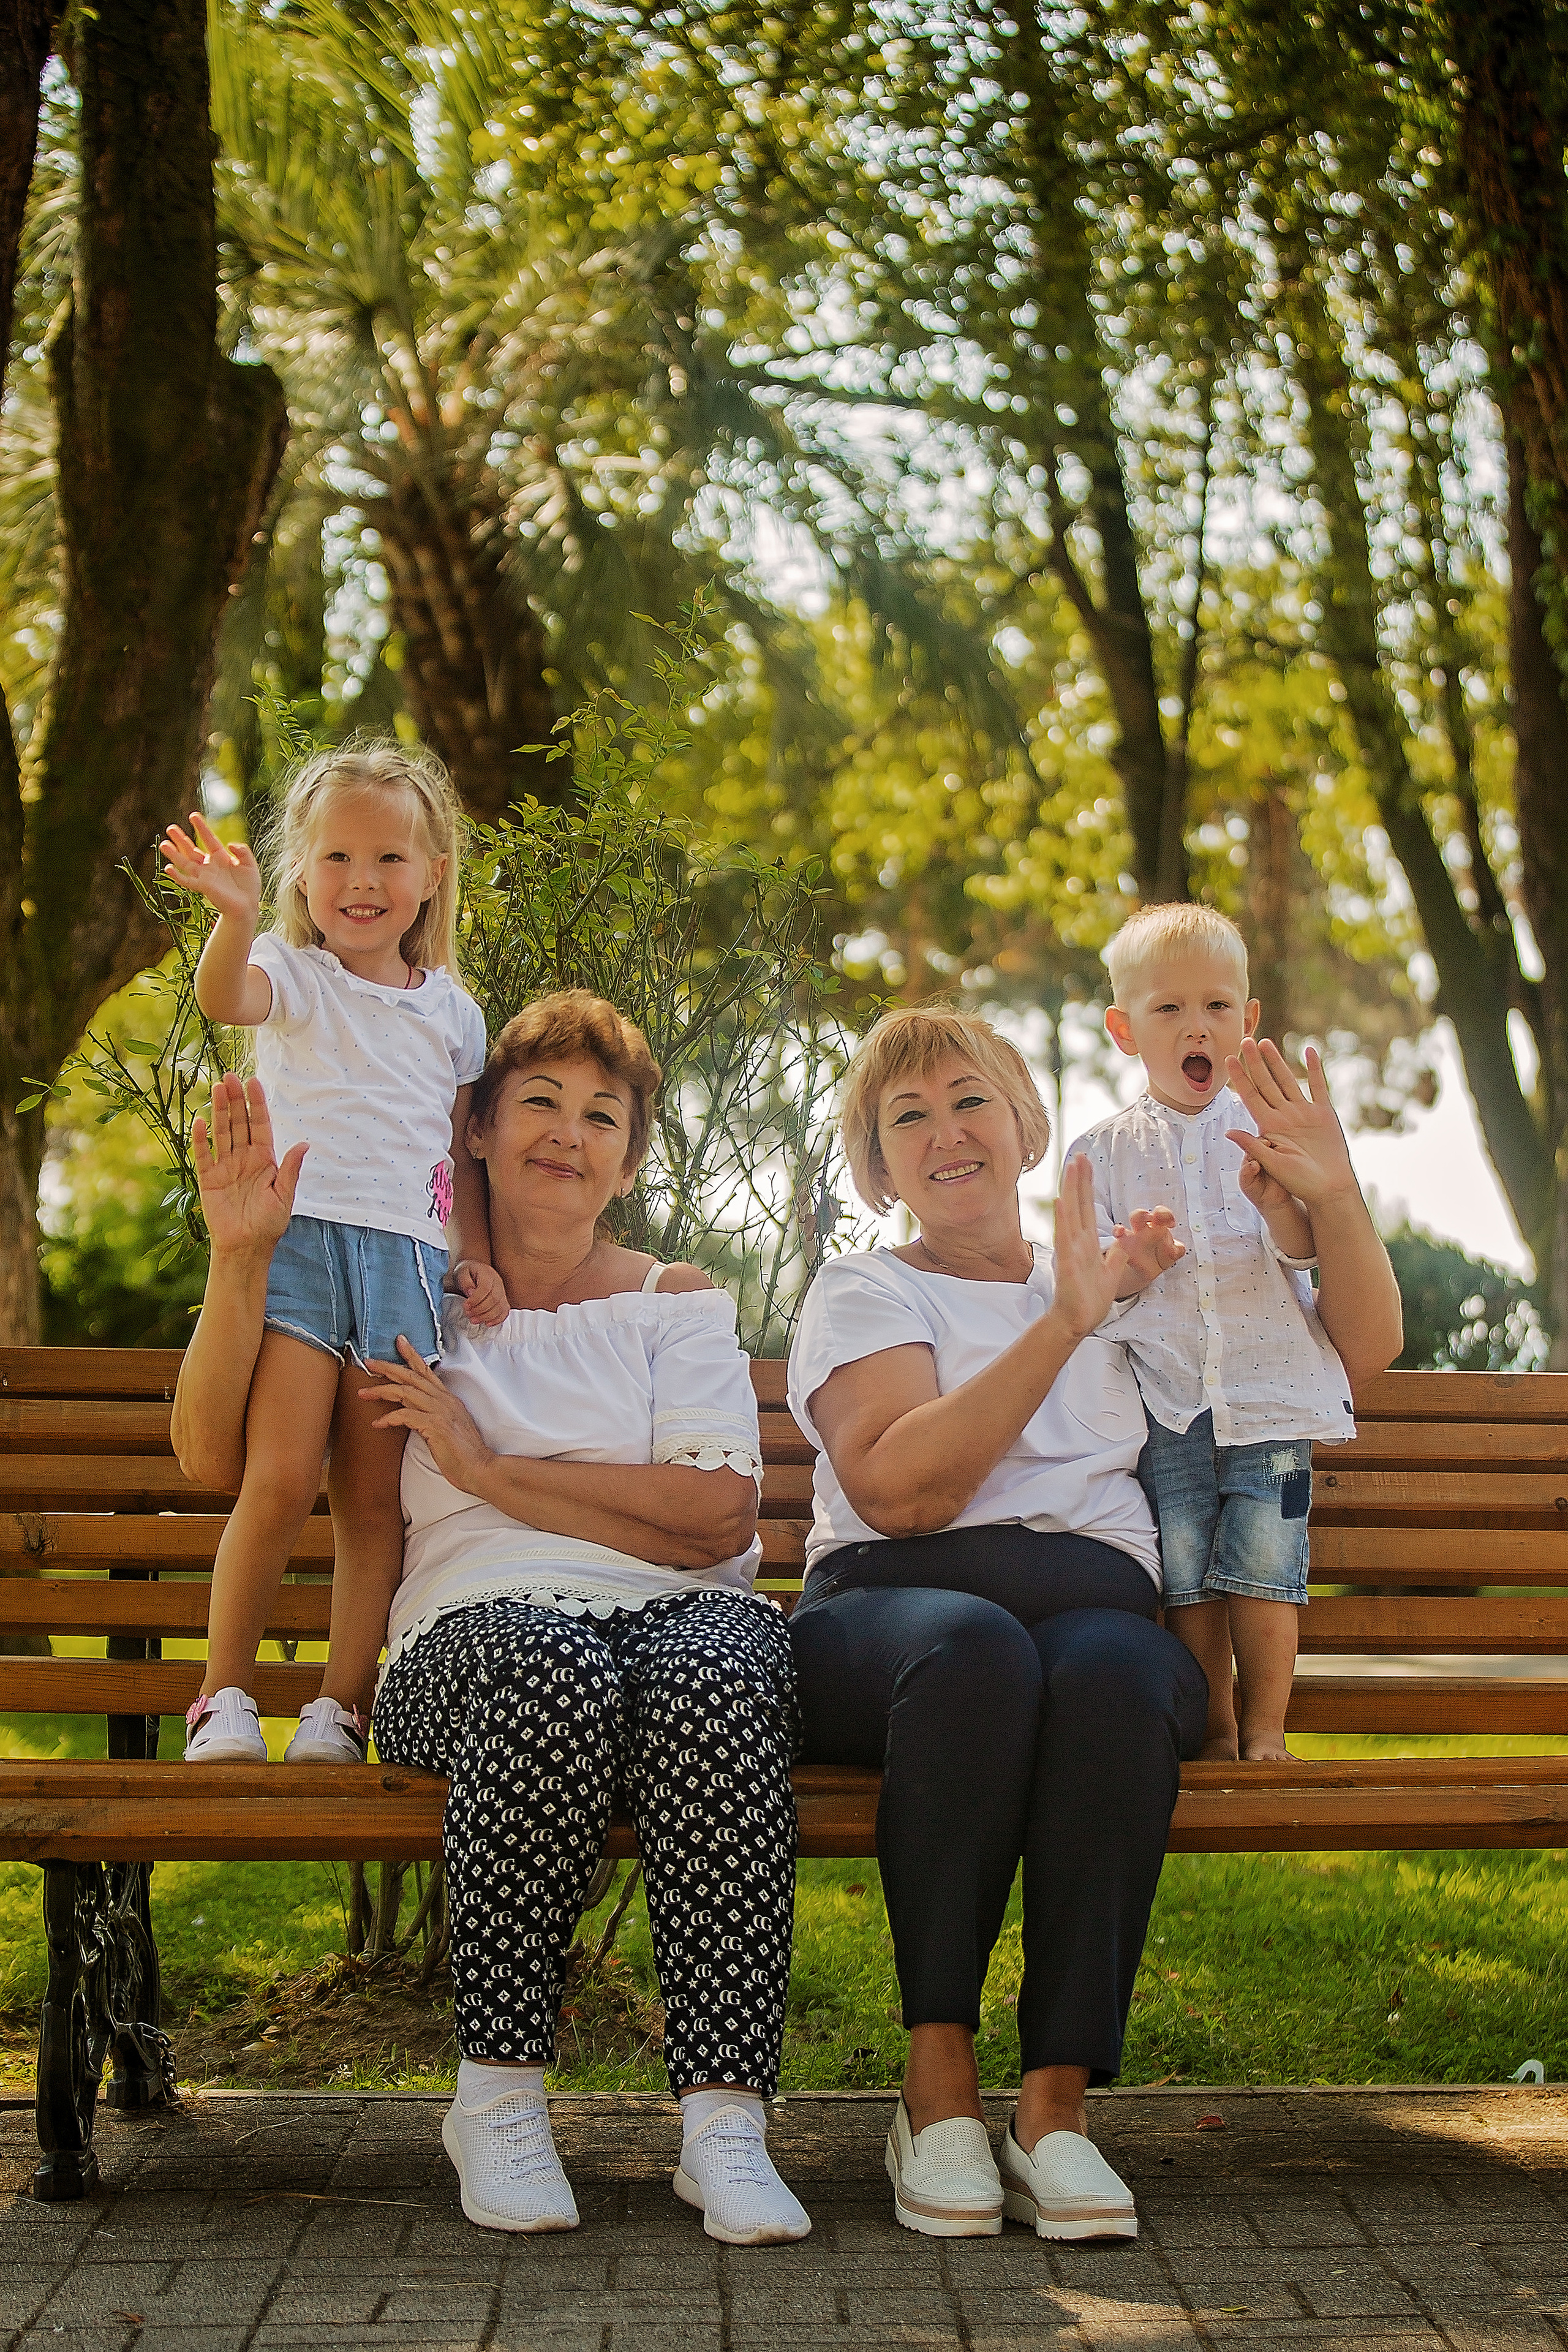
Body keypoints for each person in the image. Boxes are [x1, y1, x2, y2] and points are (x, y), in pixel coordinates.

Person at [171, 992, 812, 2247]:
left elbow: (715, 1518)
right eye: (539, 1103)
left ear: (630, 1160)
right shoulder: (410, 1309)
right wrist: (240, 1256)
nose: (567, 1134)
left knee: (724, 1675)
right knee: (548, 1667)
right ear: (473, 1129)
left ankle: (725, 2123)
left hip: (681, 1616)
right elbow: (215, 1459)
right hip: (468, 1640)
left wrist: (487, 1470)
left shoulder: (676, 1301)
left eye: (602, 1117)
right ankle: (499, 2098)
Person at [786, 1004, 1209, 2246]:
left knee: (1114, 1678)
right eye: (905, 1117)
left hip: (1089, 1613)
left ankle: (1054, 2113)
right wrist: (1063, 1319)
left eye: (969, 1099)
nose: (945, 1133)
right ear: (877, 1168)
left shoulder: (1123, 1280)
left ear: (1027, 1129)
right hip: (891, 1619)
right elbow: (901, 1492)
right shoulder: (865, 1289)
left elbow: (1330, 1355)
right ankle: (936, 2095)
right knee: (977, 1653)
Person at [162, 742, 503, 1766]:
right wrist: (232, 919)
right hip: (301, 1247)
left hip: (405, 1266)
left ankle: (340, 1709)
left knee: (370, 1503)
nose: (363, 880)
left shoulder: (454, 1014)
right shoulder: (292, 971)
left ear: (432, 874)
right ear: (304, 875)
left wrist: (475, 1254)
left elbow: (455, 1154)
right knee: (277, 1477)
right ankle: (222, 1696)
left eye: (390, 858)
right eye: (339, 858)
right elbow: (226, 999)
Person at [1066, 903, 1403, 1762]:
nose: (1198, 1027)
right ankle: (1213, 1727)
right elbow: (1085, 1294)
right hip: (1170, 1405)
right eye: (1169, 1008)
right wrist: (1130, 1267)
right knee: (1189, 1574)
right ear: (1124, 1030)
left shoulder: (1271, 1134)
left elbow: (1303, 1255)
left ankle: (1266, 1731)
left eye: (1217, 1006)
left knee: (1267, 1563)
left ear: (1247, 1022)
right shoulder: (1101, 1153)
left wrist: (1282, 1206)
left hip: (1274, 1403)